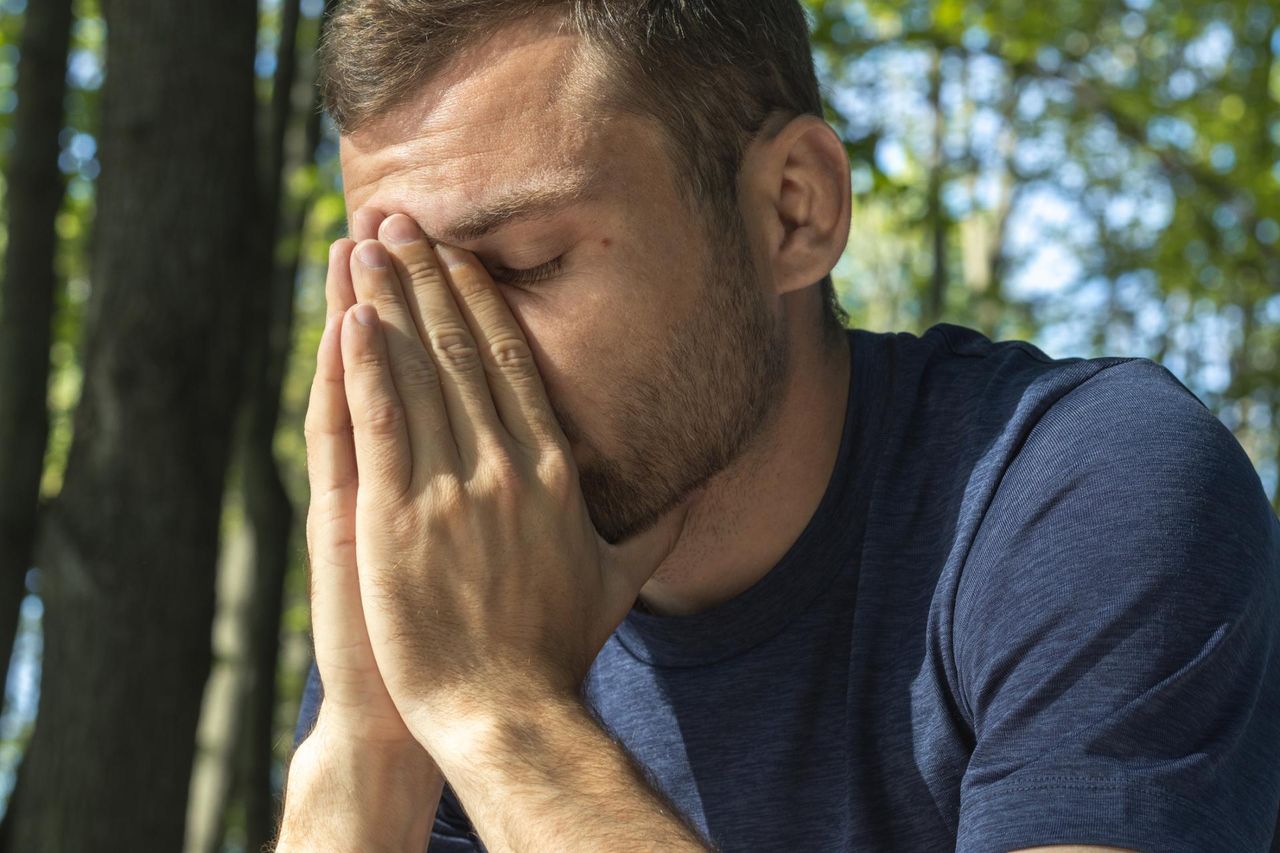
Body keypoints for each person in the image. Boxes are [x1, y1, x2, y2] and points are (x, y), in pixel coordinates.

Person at [276, 2, 1280, 851]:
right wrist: (368, 742)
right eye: (400, 288)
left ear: (793, 211)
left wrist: (501, 714)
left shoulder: (1084, 489)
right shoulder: (455, 575)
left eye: (523, 264)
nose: (450, 354)